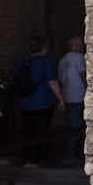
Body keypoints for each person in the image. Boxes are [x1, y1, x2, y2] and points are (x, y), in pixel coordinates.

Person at [15, 35, 64, 167]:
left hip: (25, 102)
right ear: (44, 48)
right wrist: (61, 99)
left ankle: (27, 158)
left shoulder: (22, 61)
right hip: (42, 102)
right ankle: (36, 160)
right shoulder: (45, 62)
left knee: (27, 130)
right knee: (40, 132)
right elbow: (52, 82)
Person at [57, 35, 86, 163]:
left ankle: (75, 152)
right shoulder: (78, 58)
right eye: (81, 44)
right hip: (78, 96)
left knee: (73, 124)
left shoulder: (63, 60)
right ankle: (70, 154)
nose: (83, 47)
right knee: (77, 126)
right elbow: (84, 76)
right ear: (76, 45)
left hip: (67, 96)